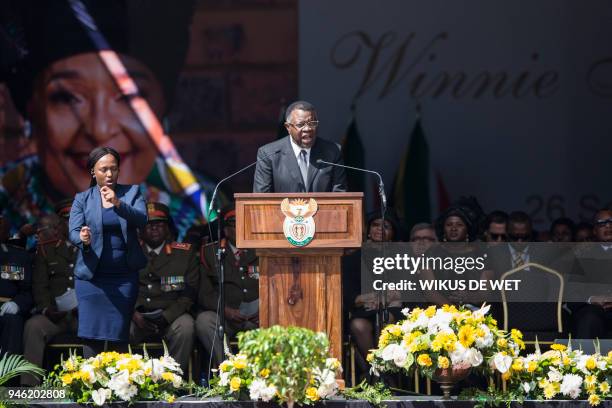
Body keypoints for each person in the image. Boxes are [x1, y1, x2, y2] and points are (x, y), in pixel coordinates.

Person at [1, 0, 212, 238]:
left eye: (130, 97)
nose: (99, 129)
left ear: (162, 106)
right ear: (32, 109)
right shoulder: (5, 205)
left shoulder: (204, 220)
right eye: (67, 98)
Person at [68, 146, 147, 358]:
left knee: (118, 336)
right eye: (104, 169)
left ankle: (118, 388)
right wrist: (82, 238)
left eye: (114, 169)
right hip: (92, 278)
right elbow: (73, 232)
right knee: (91, 336)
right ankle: (91, 386)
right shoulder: (82, 199)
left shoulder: (132, 193)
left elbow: (141, 219)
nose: (110, 174)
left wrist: (117, 203)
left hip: (123, 278)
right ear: (93, 172)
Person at [130, 202, 198, 375]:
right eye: (148, 224)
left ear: (167, 228)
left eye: (160, 224)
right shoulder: (127, 252)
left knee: (186, 326)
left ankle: (172, 381)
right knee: (118, 325)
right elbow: (121, 289)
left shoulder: (184, 253)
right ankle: (127, 382)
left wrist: (167, 317)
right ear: (139, 229)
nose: (154, 228)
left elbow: (189, 293)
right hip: (136, 315)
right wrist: (133, 314)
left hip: (170, 315)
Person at [195, 208, 258, 370]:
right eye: (235, 225)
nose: (240, 229)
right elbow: (204, 293)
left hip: (258, 317)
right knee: (204, 321)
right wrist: (225, 310)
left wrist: (265, 310)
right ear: (226, 230)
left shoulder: (261, 249)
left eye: (244, 225)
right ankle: (227, 370)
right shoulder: (210, 252)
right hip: (226, 317)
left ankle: (265, 374)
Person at [346, 209, 402, 382]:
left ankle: (386, 372)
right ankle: (376, 370)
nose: (379, 229)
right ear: (368, 230)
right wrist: (370, 298)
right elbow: (349, 297)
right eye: (375, 225)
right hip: (364, 310)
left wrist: (383, 299)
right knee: (358, 325)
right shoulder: (353, 259)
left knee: (386, 320)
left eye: (386, 226)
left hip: (393, 310)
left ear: (393, 233)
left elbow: (403, 289)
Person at [22, 212, 78, 386]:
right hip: (56, 316)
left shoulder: (94, 249)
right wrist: (47, 309)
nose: (73, 224)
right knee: (34, 326)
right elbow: (40, 285)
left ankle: (98, 385)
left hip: (84, 316)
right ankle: (29, 388)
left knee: (101, 324)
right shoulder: (46, 250)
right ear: (60, 227)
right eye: (68, 221)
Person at [253, 101, 347, 193]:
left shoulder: (333, 152)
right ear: (288, 127)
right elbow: (261, 200)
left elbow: (340, 196)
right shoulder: (269, 154)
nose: (308, 129)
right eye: (300, 125)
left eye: (312, 123)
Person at [0, 211, 33, 357]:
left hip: (6, 310)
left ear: (6, 234)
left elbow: (27, 291)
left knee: (13, 322)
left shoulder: (17, 257)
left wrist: (17, 304)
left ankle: (8, 378)